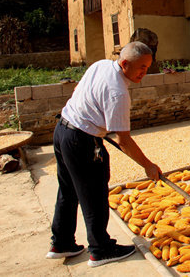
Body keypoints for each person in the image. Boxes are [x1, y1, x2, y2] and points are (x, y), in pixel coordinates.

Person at [46, 41, 162, 267]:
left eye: (147, 67)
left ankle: (61, 243)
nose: (144, 73)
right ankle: (100, 249)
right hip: (81, 140)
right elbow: (124, 140)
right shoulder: (118, 93)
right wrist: (148, 165)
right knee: (94, 194)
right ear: (125, 63)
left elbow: (78, 90)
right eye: (141, 68)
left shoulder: (100, 65)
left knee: (68, 189)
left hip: (62, 130)